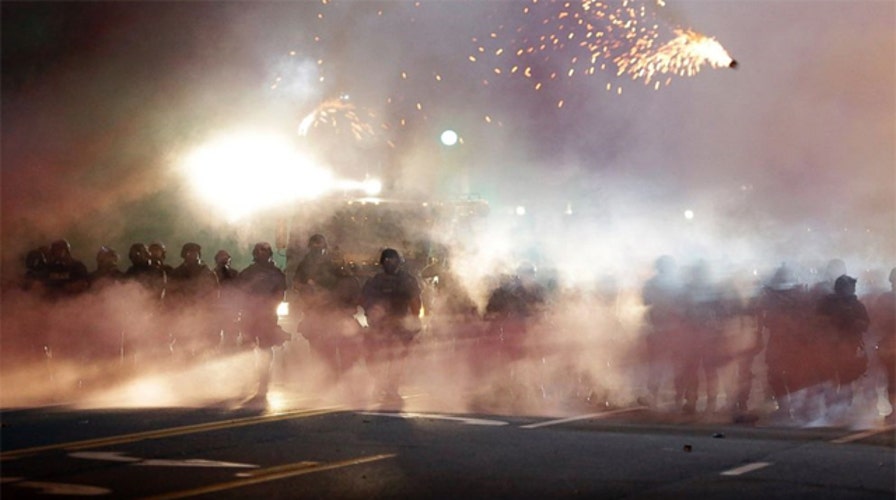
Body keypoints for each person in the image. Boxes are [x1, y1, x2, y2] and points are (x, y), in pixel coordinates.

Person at [293, 234, 362, 382]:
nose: (317, 248)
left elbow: (346, 286)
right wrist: (310, 292)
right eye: (315, 245)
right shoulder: (305, 264)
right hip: (317, 312)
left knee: (340, 346)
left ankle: (338, 377)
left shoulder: (332, 262)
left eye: (320, 245)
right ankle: (326, 377)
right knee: (320, 348)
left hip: (333, 311)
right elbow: (297, 285)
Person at [359, 248, 423, 403]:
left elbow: (416, 303)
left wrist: (414, 321)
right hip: (381, 325)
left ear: (398, 262)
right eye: (387, 260)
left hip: (400, 324)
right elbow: (365, 301)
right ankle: (380, 386)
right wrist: (372, 317)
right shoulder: (375, 281)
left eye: (393, 260)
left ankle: (392, 388)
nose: (390, 263)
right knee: (378, 358)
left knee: (397, 359)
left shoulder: (407, 280)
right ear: (382, 262)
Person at [238, 242, 290, 405]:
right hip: (250, 315)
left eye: (265, 251)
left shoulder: (276, 273)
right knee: (247, 347)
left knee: (266, 348)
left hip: (267, 315)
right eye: (259, 251)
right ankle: (248, 381)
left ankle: (263, 383)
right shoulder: (247, 273)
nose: (262, 254)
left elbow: (280, 295)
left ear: (269, 254)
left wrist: (268, 307)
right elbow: (240, 292)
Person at [815, 274, 871, 422]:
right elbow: (817, 322)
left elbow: (865, 324)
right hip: (830, 348)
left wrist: (855, 322)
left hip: (849, 349)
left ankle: (843, 409)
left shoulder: (857, 305)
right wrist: (834, 320)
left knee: (846, 380)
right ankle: (832, 410)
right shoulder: (827, 304)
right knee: (830, 380)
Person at [640, 255, 685, 410]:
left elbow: (646, 302)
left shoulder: (652, 284)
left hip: (662, 330)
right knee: (672, 365)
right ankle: (676, 399)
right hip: (668, 330)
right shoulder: (678, 284)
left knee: (659, 366)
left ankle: (658, 398)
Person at [167, 243, 220, 358]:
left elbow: (214, 293)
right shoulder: (176, 273)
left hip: (202, 313)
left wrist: (211, 311)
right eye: (189, 252)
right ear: (184, 255)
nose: (192, 255)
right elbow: (171, 293)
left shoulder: (207, 273)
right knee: (182, 346)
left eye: (195, 252)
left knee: (203, 346)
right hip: (182, 314)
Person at [870, 267, 895, 423]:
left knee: (892, 379)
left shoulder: (884, 299)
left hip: (887, 345)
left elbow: (875, 321)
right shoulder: (885, 299)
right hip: (888, 345)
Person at [212, 249, 241, 351]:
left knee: (231, 338)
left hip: (230, 310)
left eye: (226, 258)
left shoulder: (234, 274)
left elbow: (239, 292)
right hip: (216, 310)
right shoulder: (212, 274)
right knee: (214, 339)